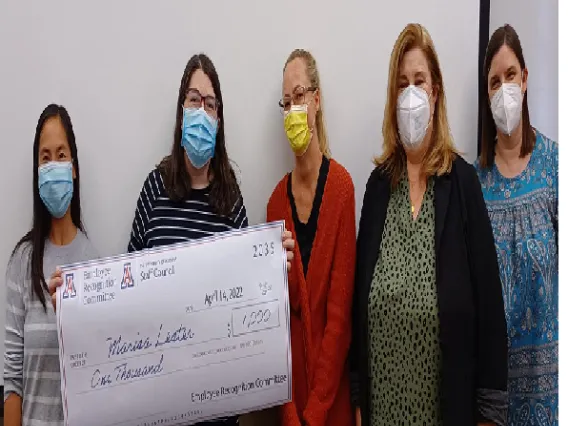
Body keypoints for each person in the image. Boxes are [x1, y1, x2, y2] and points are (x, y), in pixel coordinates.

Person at [350, 23, 508, 426]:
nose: (411, 95)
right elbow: (358, 306)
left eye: (419, 81)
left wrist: (490, 414)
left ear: (435, 93)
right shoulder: (378, 188)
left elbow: (490, 310)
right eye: (401, 85)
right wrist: (356, 398)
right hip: (382, 413)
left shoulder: (463, 184)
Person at [126, 53, 294, 426]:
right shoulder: (154, 188)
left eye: (211, 104)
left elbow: (248, 294)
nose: (201, 110)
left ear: (219, 120)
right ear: (180, 111)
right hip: (158, 405)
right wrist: (75, 300)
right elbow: (128, 287)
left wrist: (272, 264)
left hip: (216, 408)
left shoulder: (230, 197)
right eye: (193, 99)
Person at [267, 49, 356, 426]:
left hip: (330, 404)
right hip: (287, 405)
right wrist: (289, 411)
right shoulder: (274, 204)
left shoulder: (341, 189)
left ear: (317, 101)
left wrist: (315, 410)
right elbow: (274, 317)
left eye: (300, 95)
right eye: (286, 102)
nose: (293, 110)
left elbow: (339, 317)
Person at [475, 24, 558, 426]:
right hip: (494, 398)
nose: (504, 87)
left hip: (551, 392)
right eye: (494, 82)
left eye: (510, 76)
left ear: (525, 79)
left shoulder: (555, 169)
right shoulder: (473, 184)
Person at [4, 104, 98, 426]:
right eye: (45, 157)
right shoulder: (22, 262)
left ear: (74, 168)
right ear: (37, 171)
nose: (54, 164)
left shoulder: (94, 264)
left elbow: (99, 373)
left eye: (62, 154)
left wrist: (70, 321)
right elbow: (12, 379)